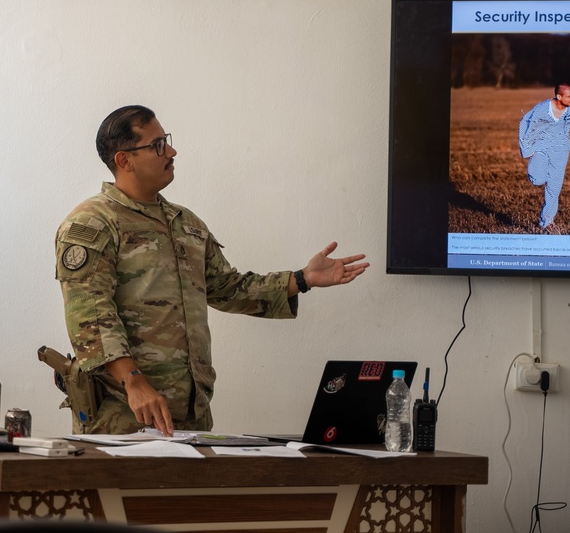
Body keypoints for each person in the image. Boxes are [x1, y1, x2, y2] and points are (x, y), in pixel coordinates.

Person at [55, 105, 369, 436]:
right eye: (158, 144)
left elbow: (228, 289)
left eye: (167, 141)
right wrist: (134, 382)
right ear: (124, 160)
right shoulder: (93, 223)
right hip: (122, 414)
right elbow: (88, 314)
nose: (172, 151)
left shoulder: (185, 224)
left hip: (191, 415)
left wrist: (302, 279)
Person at [518, 83, 570, 231]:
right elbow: (524, 122)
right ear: (559, 97)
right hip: (541, 148)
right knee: (538, 180)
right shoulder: (542, 109)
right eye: (569, 96)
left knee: (554, 187)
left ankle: (546, 222)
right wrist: (526, 149)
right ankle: (537, 170)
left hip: (561, 150)